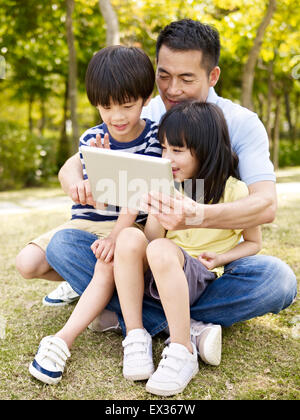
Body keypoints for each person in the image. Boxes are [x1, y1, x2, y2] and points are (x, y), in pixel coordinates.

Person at [37, 20, 297, 360]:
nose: (172, 89)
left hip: (202, 268)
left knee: (277, 280)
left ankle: (129, 315)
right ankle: (186, 328)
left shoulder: (241, 123)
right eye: (164, 76)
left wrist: (198, 216)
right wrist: (73, 179)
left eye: (186, 78)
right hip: (148, 257)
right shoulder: (145, 108)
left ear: (212, 76)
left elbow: (265, 205)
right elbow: (79, 159)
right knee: (63, 247)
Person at [27, 45, 163, 384]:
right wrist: (90, 183)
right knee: (27, 264)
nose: (116, 116)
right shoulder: (93, 138)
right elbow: (97, 204)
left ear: (146, 98)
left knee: (107, 261)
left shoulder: (155, 137)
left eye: (127, 105)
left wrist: (117, 235)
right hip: (93, 223)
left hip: (131, 227)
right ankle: (83, 287)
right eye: (106, 106)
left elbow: (140, 197)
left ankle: (64, 340)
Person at [114, 101, 262, 396]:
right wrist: (154, 205)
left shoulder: (235, 191)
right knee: (129, 238)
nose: (167, 157)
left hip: (195, 275)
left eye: (177, 150)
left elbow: (254, 242)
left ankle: (183, 349)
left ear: (205, 149)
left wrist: (221, 257)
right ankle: (135, 335)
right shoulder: (173, 186)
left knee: (159, 250)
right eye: (164, 148)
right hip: (159, 273)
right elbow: (154, 238)